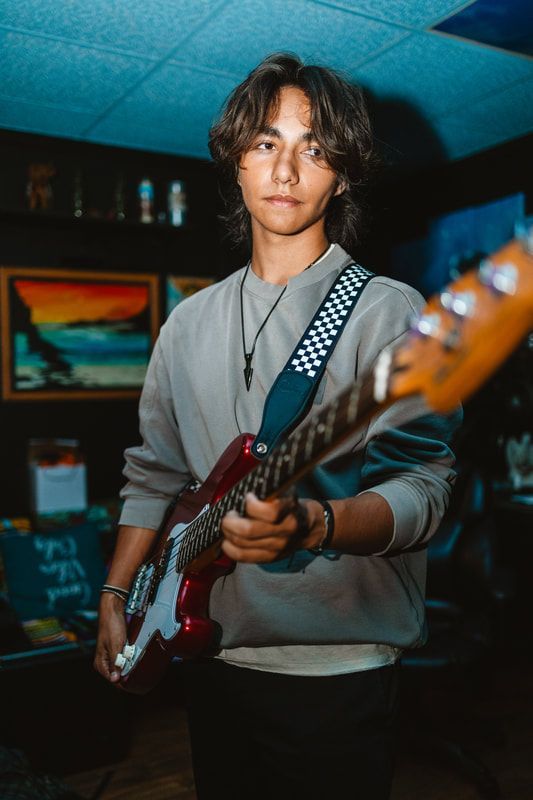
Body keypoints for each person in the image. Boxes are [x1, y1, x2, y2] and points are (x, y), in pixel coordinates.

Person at [95, 53, 460, 799]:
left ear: (344, 174)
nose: (286, 170)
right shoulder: (186, 321)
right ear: (235, 161)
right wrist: (114, 593)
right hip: (203, 652)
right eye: (265, 143)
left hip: (333, 674)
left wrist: (312, 523)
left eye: (314, 148)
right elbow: (154, 474)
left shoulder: (390, 314)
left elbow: (425, 488)